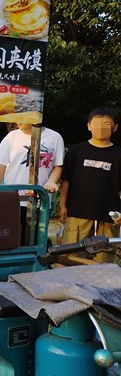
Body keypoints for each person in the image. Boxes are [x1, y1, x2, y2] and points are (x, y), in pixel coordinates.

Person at [59, 107, 121, 262]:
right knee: (71, 259)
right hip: (77, 215)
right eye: (97, 123)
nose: (100, 128)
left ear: (115, 128)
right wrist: (62, 206)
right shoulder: (76, 151)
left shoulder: (119, 154)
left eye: (106, 124)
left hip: (108, 217)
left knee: (104, 264)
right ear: (88, 126)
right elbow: (66, 180)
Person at [0, 123, 64, 195]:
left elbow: (58, 165)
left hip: (41, 198)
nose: (18, 121)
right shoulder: (11, 137)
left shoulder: (55, 137)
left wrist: (51, 182)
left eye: (23, 116)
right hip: (12, 197)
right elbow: (1, 166)